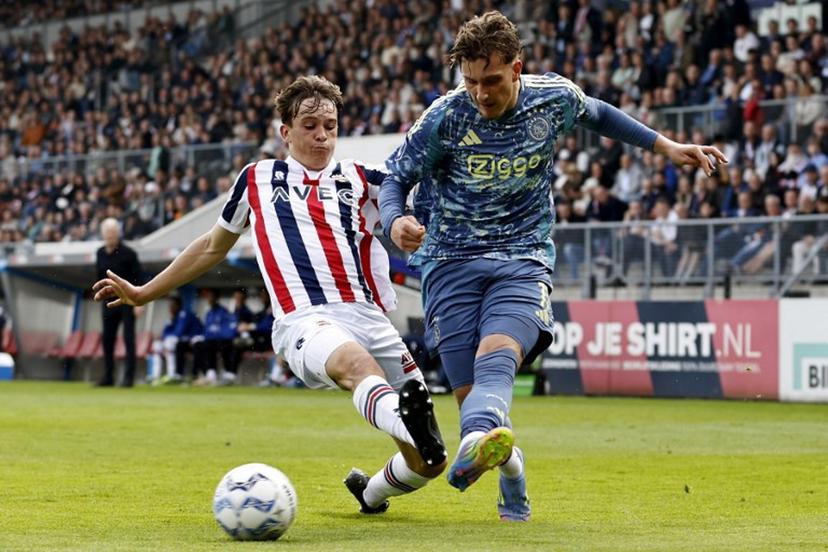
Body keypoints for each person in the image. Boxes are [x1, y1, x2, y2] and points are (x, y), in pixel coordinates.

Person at [379, 11, 727, 521]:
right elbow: (393, 177)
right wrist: (394, 221)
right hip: (449, 260)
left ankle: (477, 439)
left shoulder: (552, 98)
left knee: (498, 354)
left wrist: (666, 146)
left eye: (492, 80)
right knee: (472, 398)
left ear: (517, 68)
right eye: (471, 81)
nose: (481, 93)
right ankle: (511, 469)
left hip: (524, 255)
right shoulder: (445, 117)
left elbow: (601, 114)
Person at [93, 75, 446, 514]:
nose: (322, 135)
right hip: (305, 319)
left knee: (429, 463)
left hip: (369, 316)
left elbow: (402, 205)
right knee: (357, 367)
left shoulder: (362, 179)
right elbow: (210, 246)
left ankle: (370, 493)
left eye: (331, 126)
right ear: (286, 132)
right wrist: (145, 292)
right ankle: (408, 418)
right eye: (310, 125)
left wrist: (404, 225)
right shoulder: (257, 178)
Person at [95, 218, 143, 387]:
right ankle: (108, 377)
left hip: (128, 301)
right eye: (107, 233)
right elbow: (98, 277)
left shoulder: (129, 254)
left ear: (118, 233)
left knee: (129, 339)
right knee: (107, 340)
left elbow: (139, 278)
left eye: (113, 232)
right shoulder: (99, 253)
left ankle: (128, 379)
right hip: (108, 302)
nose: (110, 236)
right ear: (103, 234)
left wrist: (140, 303)